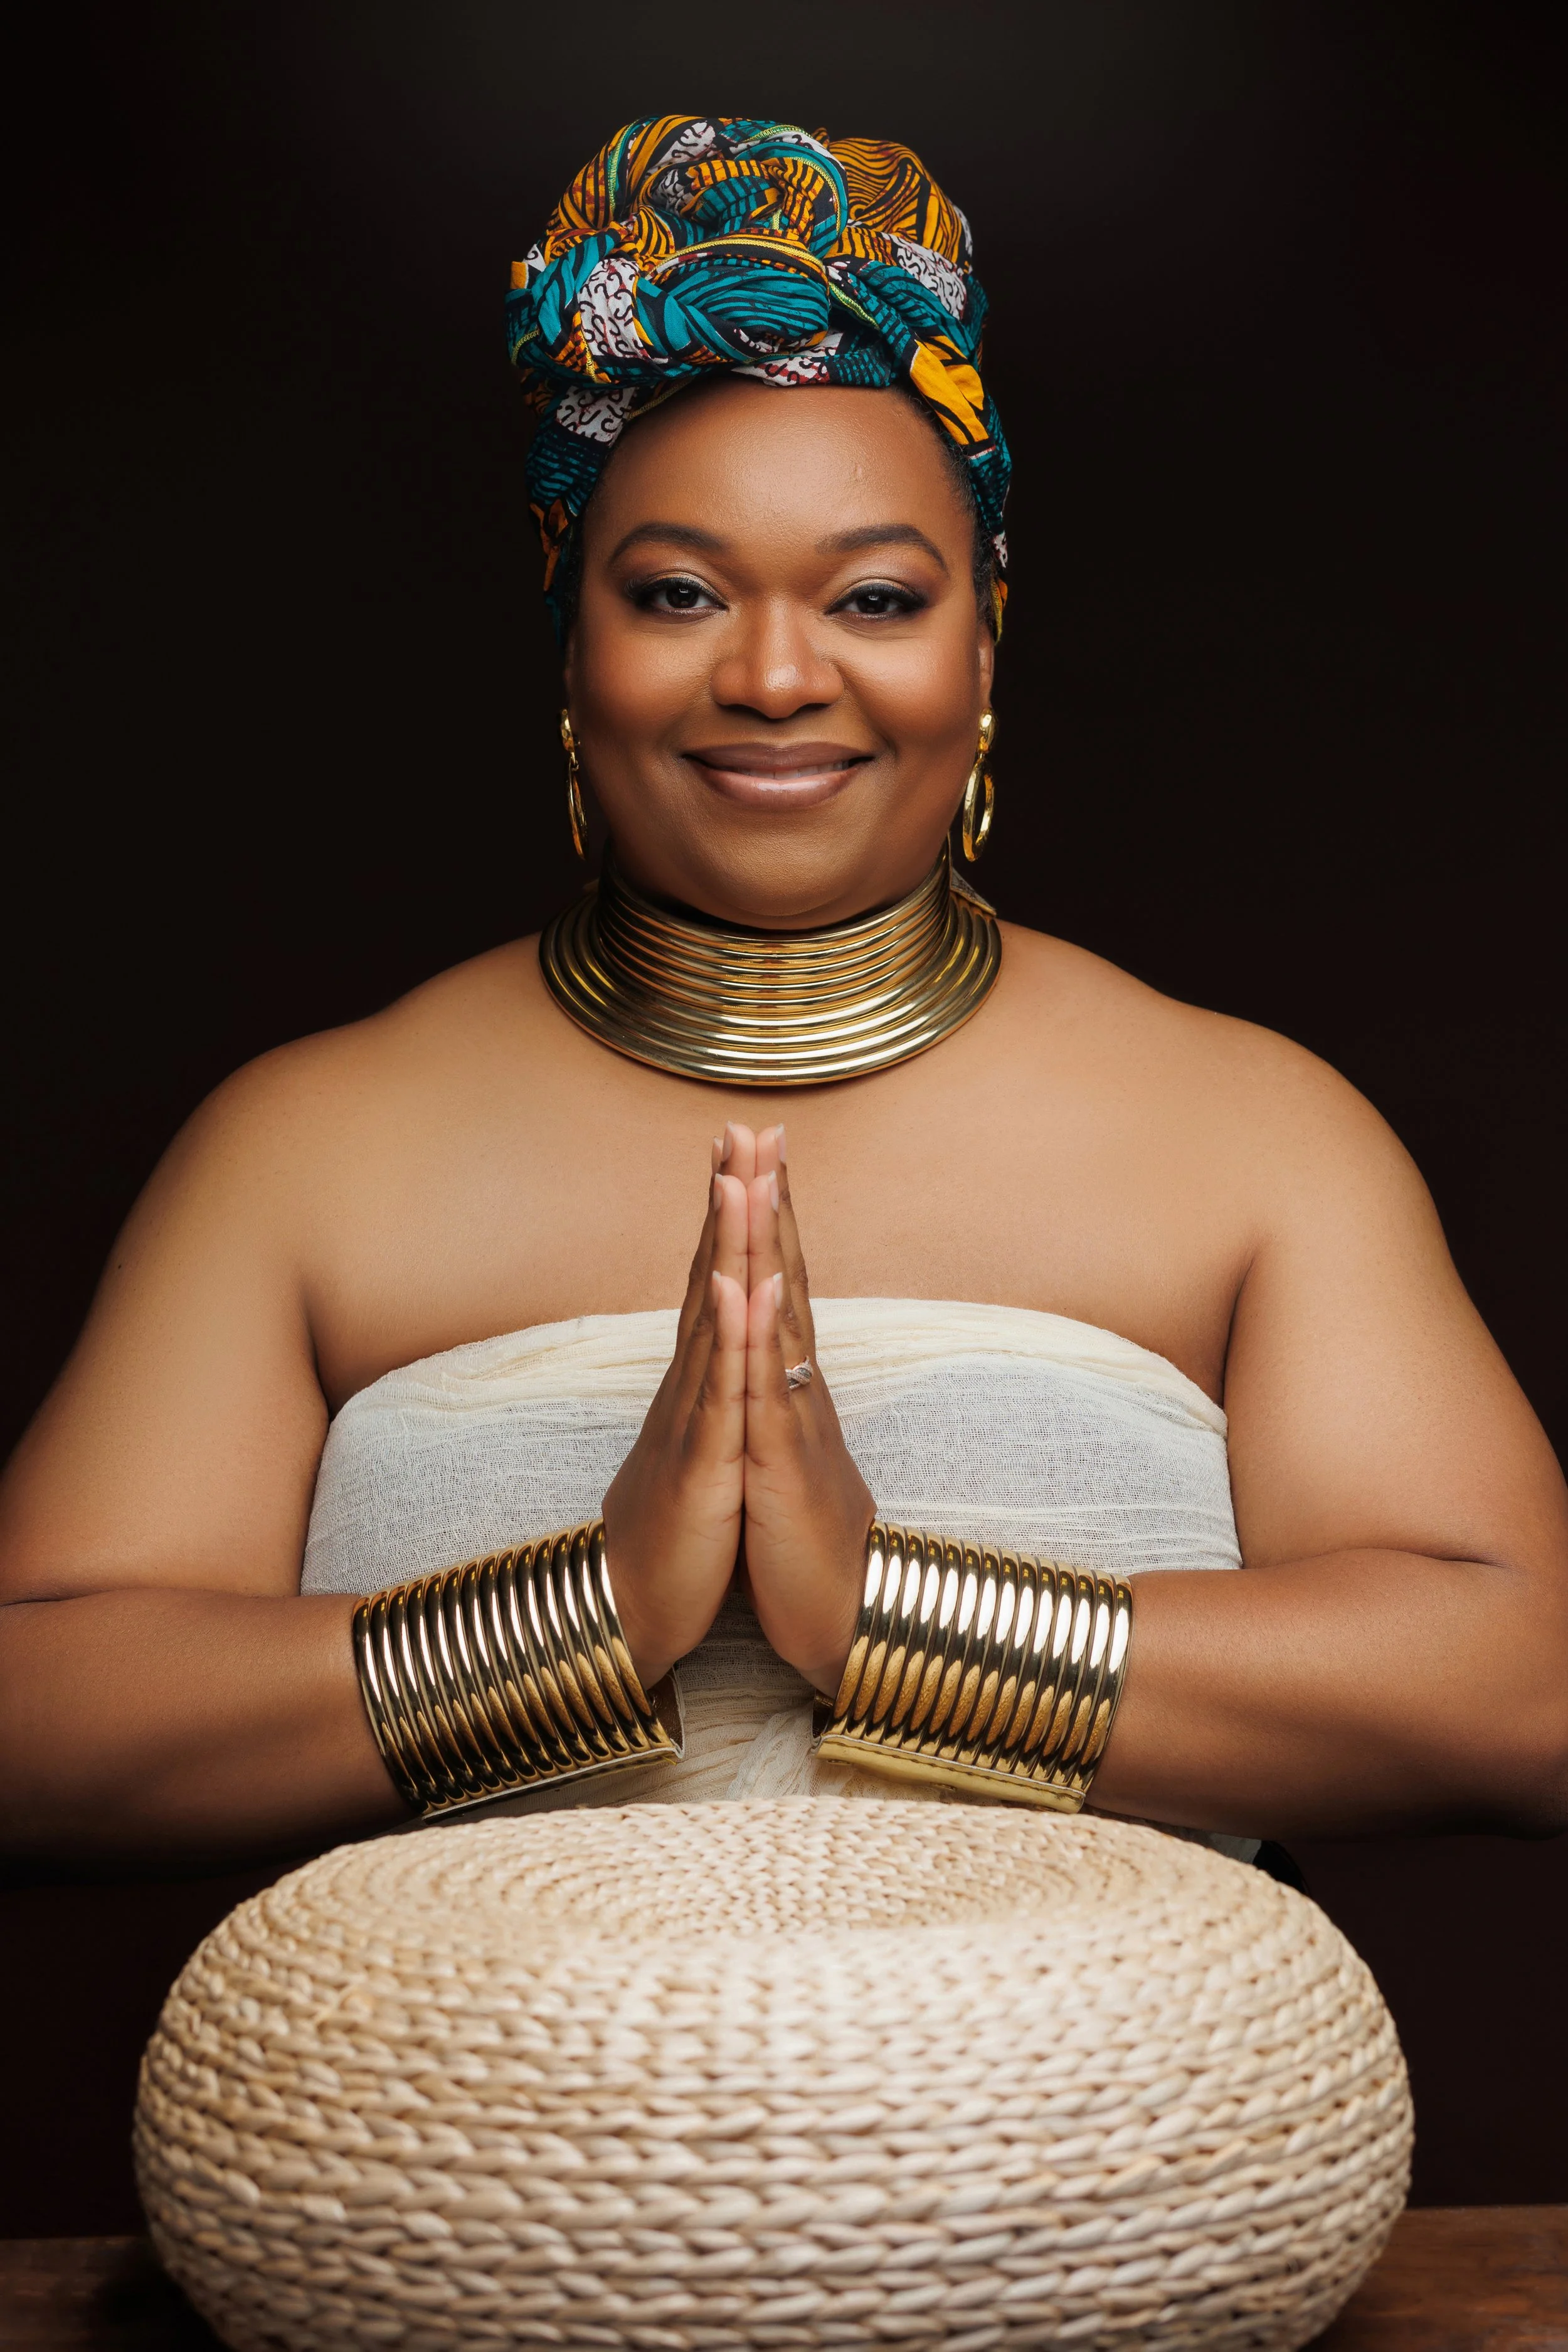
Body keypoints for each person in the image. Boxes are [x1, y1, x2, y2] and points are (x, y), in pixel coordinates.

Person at [2, 116, 1564, 1870]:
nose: (768, 674)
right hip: (459, 2134)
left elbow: (1522, 1686)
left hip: (1113, 2136)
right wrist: (596, 1611)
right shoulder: (303, 1145)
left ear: (980, 645)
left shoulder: (1255, 1134)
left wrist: (874, 1612)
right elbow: (40, 1716)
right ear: (568, 636)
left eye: (873, 596)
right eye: (675, 591)